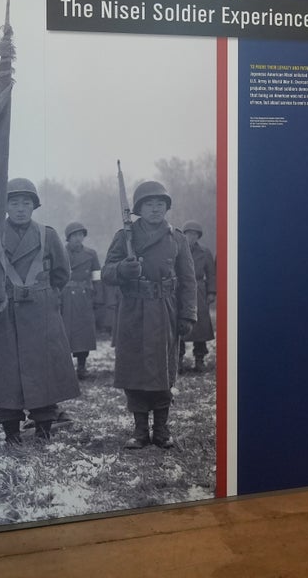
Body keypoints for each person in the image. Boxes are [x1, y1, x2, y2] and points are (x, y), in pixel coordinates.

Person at [0, 178, 78, 445]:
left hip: (41, 315)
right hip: (4, 313)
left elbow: (61, 274)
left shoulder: (48, 235)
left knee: (45, 374)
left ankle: (43, 430)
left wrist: (44, 296)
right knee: (6, 377)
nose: (20, 208)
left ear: (34, 206)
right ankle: (12, 434)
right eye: (14, 202)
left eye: (26, 203)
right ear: (4, 206)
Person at [102, 180, 196, 449]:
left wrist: (188, 314)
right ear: (138, 209)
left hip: (164, 309)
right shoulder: (124, 237)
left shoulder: (176, 237)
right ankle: (140, 430)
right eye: (149, 204)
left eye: (160, 204)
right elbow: (106, 272)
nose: (155, 209)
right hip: (133, 310)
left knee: (163, 370)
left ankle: (162, 429)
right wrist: (123, 269)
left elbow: (188, 280)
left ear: (166, 207)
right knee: (134, 369)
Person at [61, 222, 101, 380]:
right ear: (68, 238)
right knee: (64, 333)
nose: (78, 239)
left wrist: (98, 296)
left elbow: (96, 276)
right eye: (74, 236)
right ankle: (65, 368)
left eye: (80, 235)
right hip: (65, 298)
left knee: (84, 334)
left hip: (85, 297)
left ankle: (82, 367)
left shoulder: (91, 254)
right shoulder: (61, 254)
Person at [181, 220, 216, 373]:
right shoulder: (178, 250)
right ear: (184, 235)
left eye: (194, 234)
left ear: (198, 236)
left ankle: (199, 359)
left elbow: (211, 274)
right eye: (188, 234)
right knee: (179, 326)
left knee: (200, 327)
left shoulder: (205, 252)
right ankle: (178, 360)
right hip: (181, 292)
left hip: (199, 291)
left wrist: (211, 292)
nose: (191, 237)